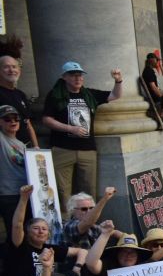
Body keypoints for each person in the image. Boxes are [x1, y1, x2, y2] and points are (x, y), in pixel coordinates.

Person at [42, 62, 123, 204]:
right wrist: (70, 128)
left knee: (88, 189)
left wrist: (118, 80)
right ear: (64, 77)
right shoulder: (55, 95)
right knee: (62, 190)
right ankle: (66, 222)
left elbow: (115, 95)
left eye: (79, 75)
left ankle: (87, 221)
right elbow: (47, 120)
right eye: (73, 75)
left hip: (87, 149)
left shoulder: (89, 94)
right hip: (62, 148)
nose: (77, 78)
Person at [0, 106, 28, 233]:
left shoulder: (21, 144)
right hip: (9, 195)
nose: (13, 122)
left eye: (16, 118)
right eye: (7, 119)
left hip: (25, 194)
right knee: (14, 233)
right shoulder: (1, 139)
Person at [0, 55, 38, 148]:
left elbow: (28, 123)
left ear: (19, 71)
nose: (11, 70)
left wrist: (36, 147)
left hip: (26, 147)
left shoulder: (20, 94)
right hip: (5, 150)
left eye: (14, 67)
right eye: (6, 67)